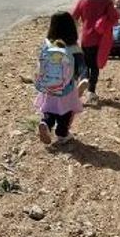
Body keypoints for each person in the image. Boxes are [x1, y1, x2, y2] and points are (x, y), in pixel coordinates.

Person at [34, 12, 86, 145]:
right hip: (67, 87)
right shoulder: (74, 49)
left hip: (48, 85)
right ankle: (62, 134)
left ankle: (45, 123)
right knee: (66, 111)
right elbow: (80, 69)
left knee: (49, 109)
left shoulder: (48, 45)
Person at [72, 0, 120, 105]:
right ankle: (91, 91)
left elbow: (73, 18)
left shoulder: (82, 1)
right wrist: (116, 6)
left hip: (86, 39)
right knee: (95, 66)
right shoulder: (107, 2)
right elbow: (115, 18)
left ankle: (84, 79)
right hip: (101, 40)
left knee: (85, 64)